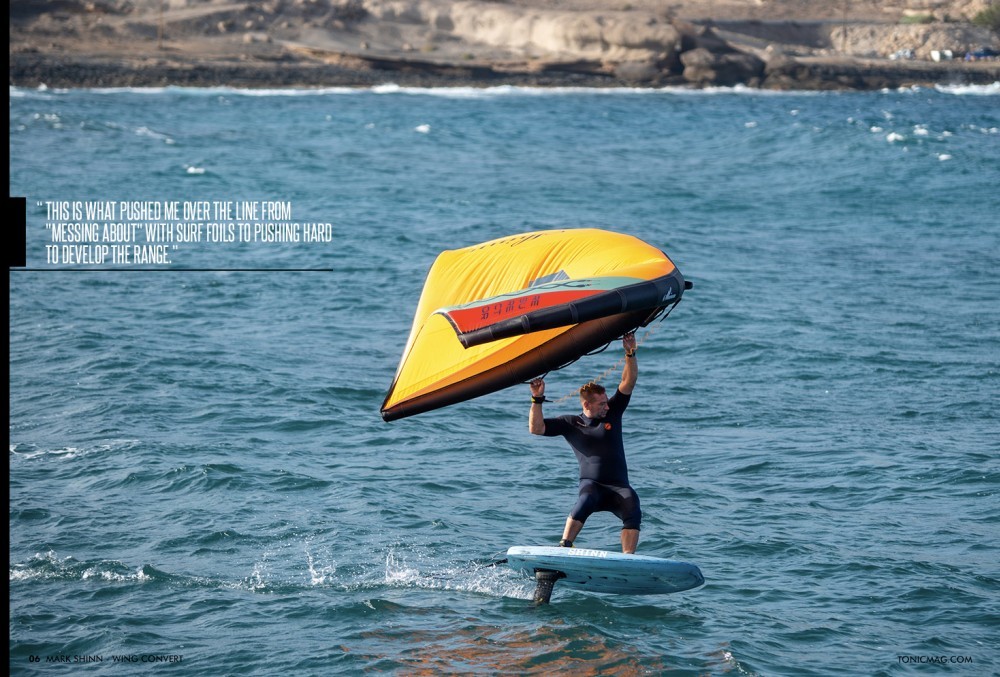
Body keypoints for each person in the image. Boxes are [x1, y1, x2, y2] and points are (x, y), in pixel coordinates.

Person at [528, 332, 642, 554]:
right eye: (601, 404)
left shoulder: (613, 412)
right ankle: (564, 546)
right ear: (587, 405)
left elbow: (628, 382)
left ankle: (628, 559)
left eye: (606, 402)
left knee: (632, 505)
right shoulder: (570, 423)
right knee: (586, 500)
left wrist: (630, 352)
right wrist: (537, 399)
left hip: (619, 485)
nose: (607, 406)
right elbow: (536, 428)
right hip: (592, 484)